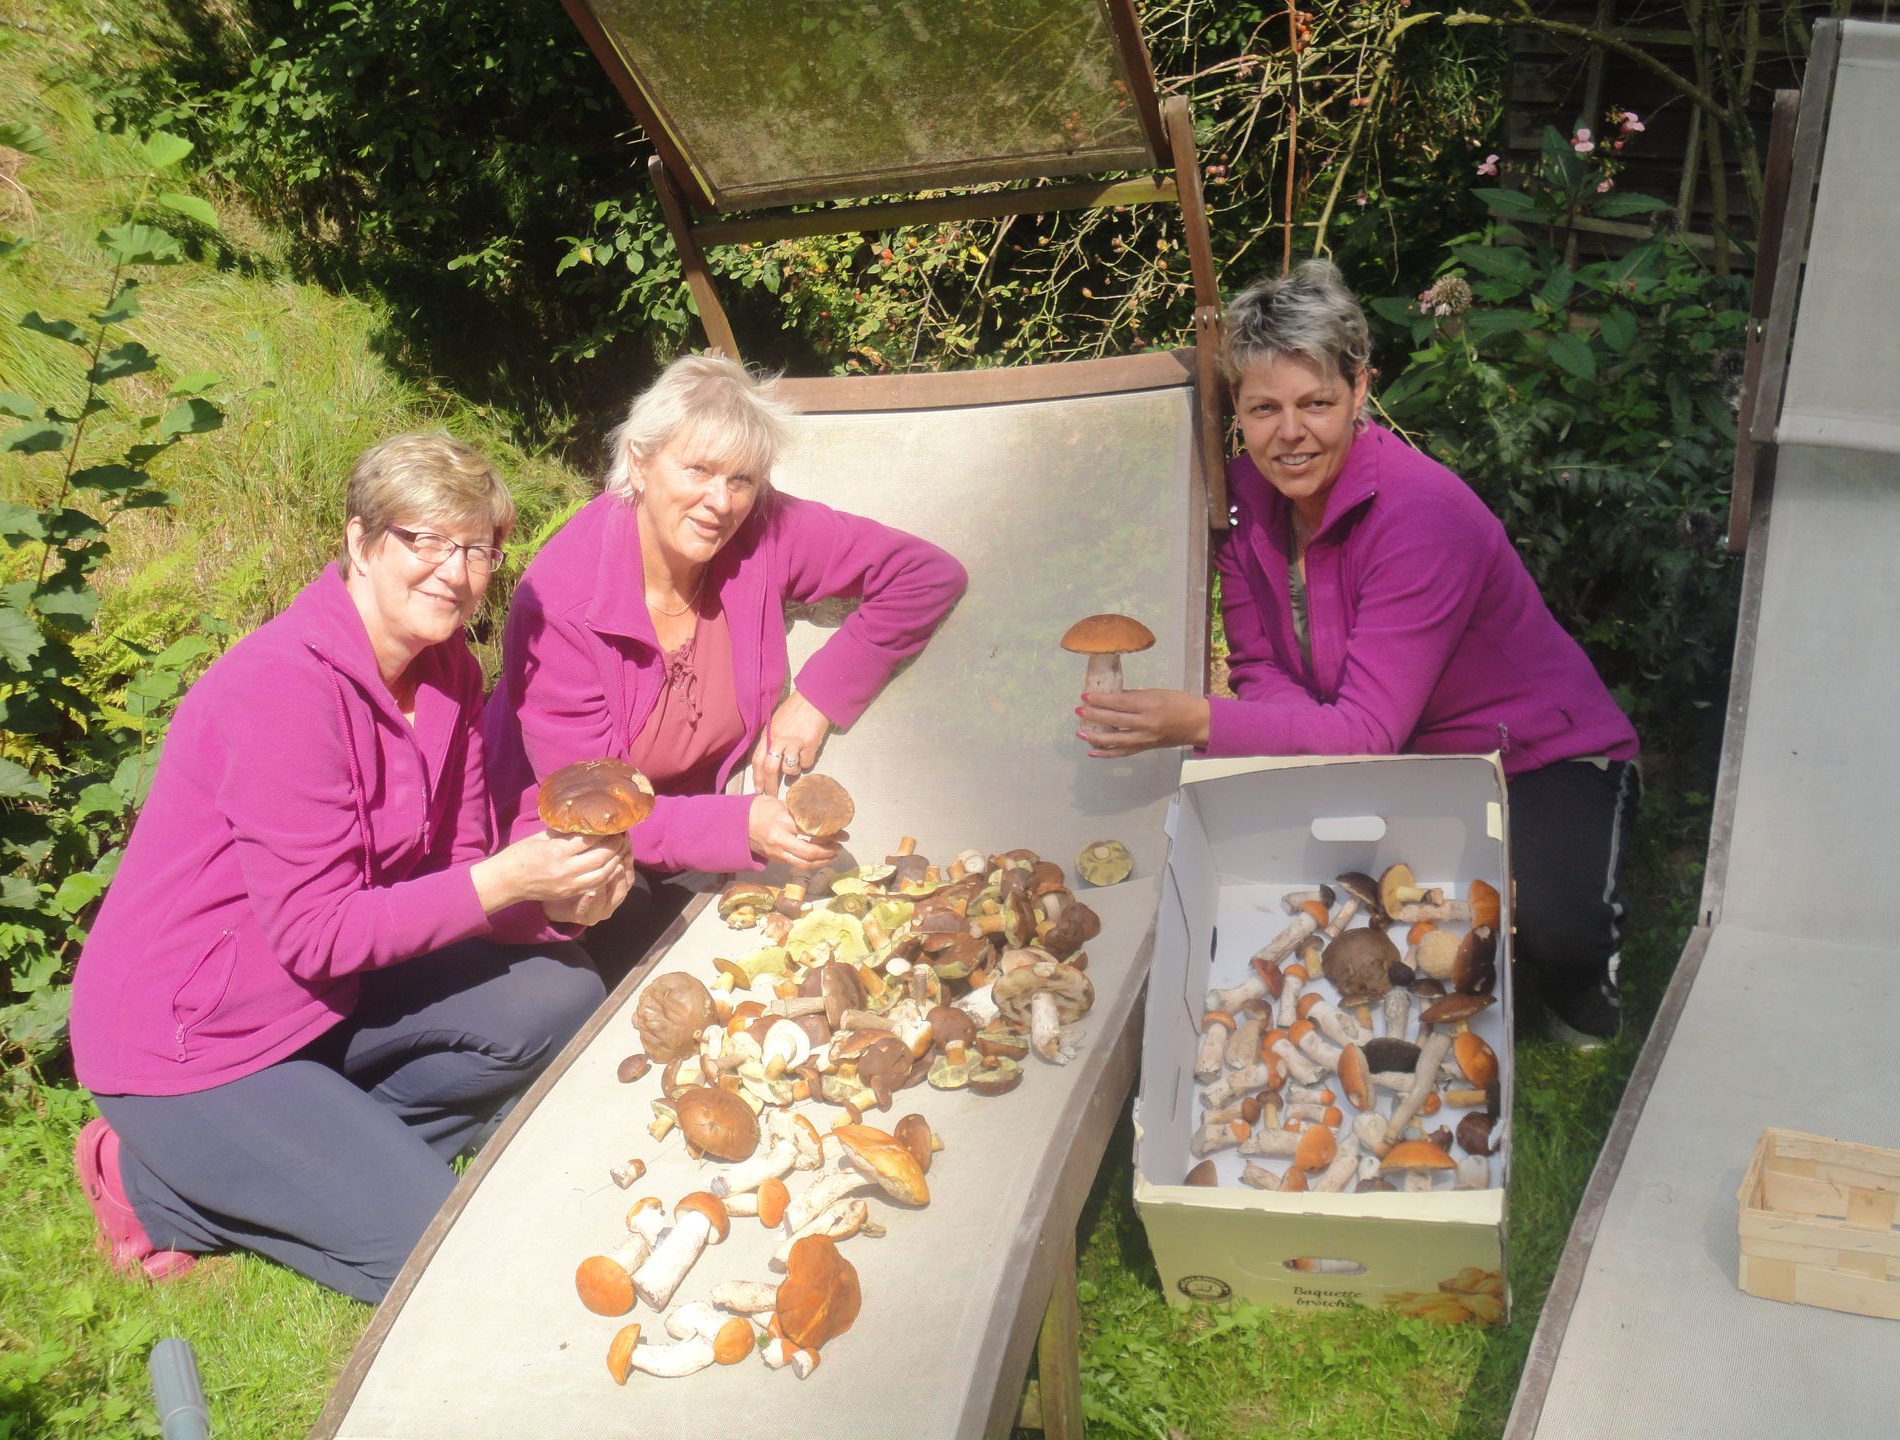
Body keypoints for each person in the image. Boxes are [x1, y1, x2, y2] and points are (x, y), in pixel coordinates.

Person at [70, 434, 632, 1300]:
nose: (456, 570)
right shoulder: (283, 689)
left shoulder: (447, 670)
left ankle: (307, 1154)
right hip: (193, 1043)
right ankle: (158, 1183)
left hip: (323, 1002)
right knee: (439, 1264)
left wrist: (567, 899)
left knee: (562, 993)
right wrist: (516, 878)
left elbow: (459, 869)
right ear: (361, 541)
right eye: (427, 540)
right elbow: (318, 931)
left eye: (479, 548)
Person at [1078, 260, 1640, 1047]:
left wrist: (1199, 721)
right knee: (1332, 910)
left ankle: (1586, 981)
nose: (1290, 433)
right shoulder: (1239, 499)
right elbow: (1261, 668)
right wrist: (1299, 739)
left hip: (1540, 756)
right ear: (1235, 409)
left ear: (1361, 391)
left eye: (1317, 404)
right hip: (1404, 755)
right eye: (1263, 408)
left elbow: (1363, 733)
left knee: (1556, 934)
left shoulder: (1423, 516)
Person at [485, 354, 967, 978]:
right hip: (571, 853)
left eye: (741, 479)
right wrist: (741, 826)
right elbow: (585, 809)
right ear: (639, 461)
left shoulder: (763, 528)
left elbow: (926, 575)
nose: (720, 501)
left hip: (696, 827)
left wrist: (818, 697)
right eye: (699, 470)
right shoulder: (562, 601)